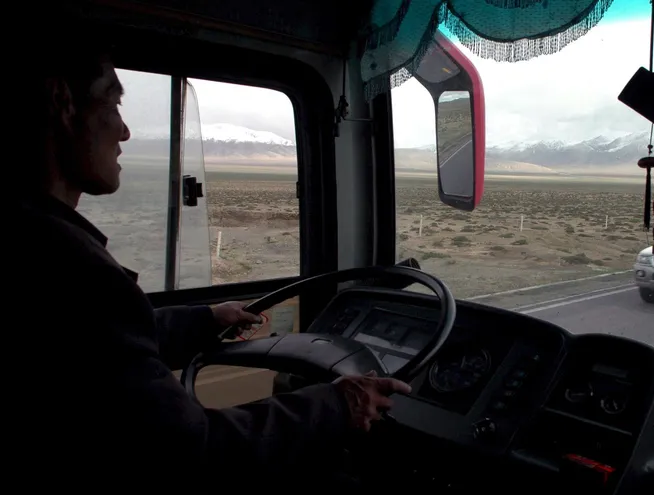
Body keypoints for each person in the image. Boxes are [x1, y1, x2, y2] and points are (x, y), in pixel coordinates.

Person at [10, 22, 411, 478]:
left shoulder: (35, 245)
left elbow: (92, 346)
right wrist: (339, 404)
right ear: (63, 102)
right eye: (113, 102)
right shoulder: (68, 267)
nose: (123, 131)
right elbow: (189, 451)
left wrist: (203, 320)